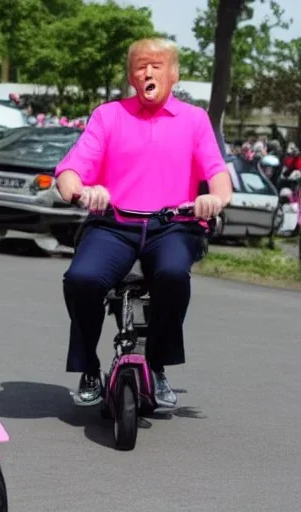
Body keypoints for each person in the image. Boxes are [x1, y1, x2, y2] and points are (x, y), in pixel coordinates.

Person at [54, 38, 233, 408]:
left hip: (173, 225)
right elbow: (69, 172)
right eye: (140, 66)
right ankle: (89, 366)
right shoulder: (108, 115)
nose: (148, 72)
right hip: (113, 224)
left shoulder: (195, 120)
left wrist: (213, 199)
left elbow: (219, 177)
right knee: (81, 280)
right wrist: (81, 192)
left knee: (171, 274)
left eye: (157, 65)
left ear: (174, 74)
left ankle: (158, 364)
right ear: (131, 76)